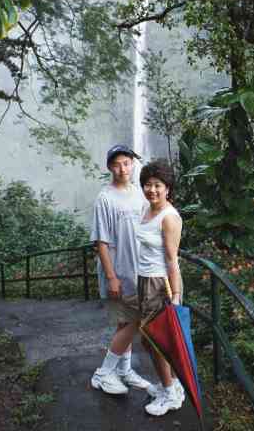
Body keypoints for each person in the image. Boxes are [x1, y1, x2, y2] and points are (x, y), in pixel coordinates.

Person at [90, 144, 152, 395]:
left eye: (126, 163)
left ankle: (124, 371)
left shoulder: (139, 193)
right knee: (133, 321)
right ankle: (103, 374)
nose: (122, 168)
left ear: (133, 164)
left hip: (138, 270)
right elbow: (101, 242)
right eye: (117, 164)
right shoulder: (105, 198)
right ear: (109, 168)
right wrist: (111, 277)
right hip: (118, 272)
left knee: (124, 323)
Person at [135, 159, 185, 416]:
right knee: (151, 340)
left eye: (157, 185)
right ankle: (173, 385)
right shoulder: (147, 210)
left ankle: (169, 395)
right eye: (147, 185)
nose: (151, 190)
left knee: (155, 340)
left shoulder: (169, 217)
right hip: (145, 280)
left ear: (168, 187)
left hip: (161, 284)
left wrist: (175, 296)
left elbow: (171, 259)